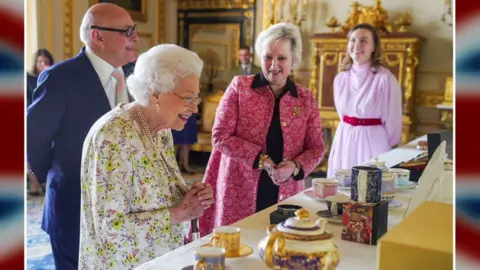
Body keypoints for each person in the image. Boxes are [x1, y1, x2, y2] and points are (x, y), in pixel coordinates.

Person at [79, 44, 214, 269]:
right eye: (188, 98)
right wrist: (179, 213)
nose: (195, 109)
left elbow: (152, 191)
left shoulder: (162, 130)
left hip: (161, 259)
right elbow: (110, 227)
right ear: (156, 93)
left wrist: (190, 194)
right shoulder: (113, 136)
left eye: (196, 99)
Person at [26, 3, 138, 269]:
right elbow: (33, 137)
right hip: (73, 208)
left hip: (128, 209)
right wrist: (58, 178)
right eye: (127, 30)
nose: (135, 37)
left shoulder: (137, 75)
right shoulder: (60, 78)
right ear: (97, 36)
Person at [198, 23, 326, 237]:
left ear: (294, 61)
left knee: (280, 246)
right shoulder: (239, 87)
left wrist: (294, 166)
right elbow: (220, 136)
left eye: (282, 58)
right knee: (238, 246)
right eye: (268, 57)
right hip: (239, 187)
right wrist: (262, 160)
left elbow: (316, 148)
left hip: (285, 191)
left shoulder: (306, 98)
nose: (274, 65)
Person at [327, 23, 402, 178]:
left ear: (374, 47)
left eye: (364, 41)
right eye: (353, 40)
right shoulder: (341, 79)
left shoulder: (385, 79)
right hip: (345, 138)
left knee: (369, 189)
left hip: (373, 141)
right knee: (343, 189)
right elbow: (342, 114)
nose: (357, 45)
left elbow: (393, 120)